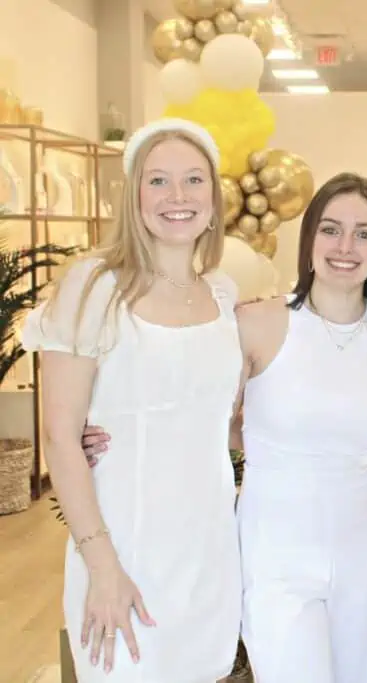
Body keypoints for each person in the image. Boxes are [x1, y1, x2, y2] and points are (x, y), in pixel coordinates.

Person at [80, 172, 367, 683]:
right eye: (330, 230)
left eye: (364, 233)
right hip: (274, 547)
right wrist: (112, 431)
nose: (345, 247)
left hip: (359, 547)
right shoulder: (258, 323)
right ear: (309, 240)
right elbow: (198, 414)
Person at [21, 118, 243, 681]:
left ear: (214, 199)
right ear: (133, 196)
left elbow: (216, 419)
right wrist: (103, 567)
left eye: (194, 180)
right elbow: (60, 436)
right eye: (158, 181)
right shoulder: (95, 286)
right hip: (125, 545)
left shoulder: (222, 293)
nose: (178, 197)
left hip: (208, 547)